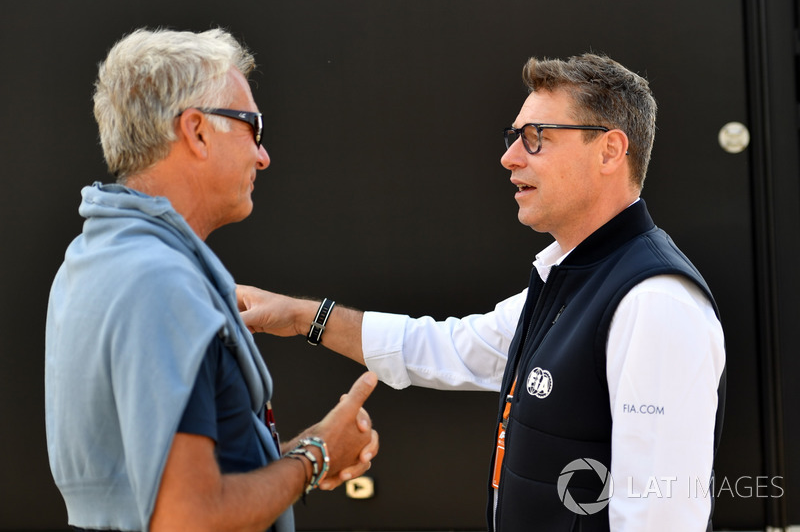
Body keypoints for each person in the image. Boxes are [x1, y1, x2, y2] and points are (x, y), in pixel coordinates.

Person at [236, 53, 726, 531]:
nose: (509, 156)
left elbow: (661, 518)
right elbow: (446, 349)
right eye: (514, 137)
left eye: (536, 138)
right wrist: (301, 316)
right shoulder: (568, 277)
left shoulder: (654, 302)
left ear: (610, 150)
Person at [44, 28, 378, 532]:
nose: (262, 156)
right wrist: (316, 458)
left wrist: (297, 456)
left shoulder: (89, 261)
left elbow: (163, 488)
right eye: (253, 128)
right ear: (197, 131)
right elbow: (188, 517)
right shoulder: (158, 282)